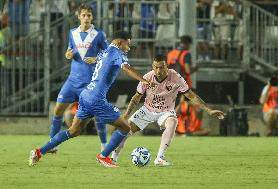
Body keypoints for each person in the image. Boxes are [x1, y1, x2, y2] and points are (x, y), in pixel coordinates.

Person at [28, 31, 154, 168]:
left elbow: (97, 60)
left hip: (85, 94)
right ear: (119, 42)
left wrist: (92, 59)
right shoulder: (116, 53)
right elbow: (127, 68)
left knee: (73, 131)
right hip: (96, 99)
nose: (128, 48)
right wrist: (144, 80)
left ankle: (38, 152)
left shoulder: (105, 52)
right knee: (125, 127)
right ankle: (103, 156)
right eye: (127, 44)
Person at [111, 55, 225, 166]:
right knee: (125, 129)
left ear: (167, 66)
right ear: (152, 66)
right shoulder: (147, 77)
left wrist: (209, 110)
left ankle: (159, 158)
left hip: (166, 112)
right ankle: (113, 159)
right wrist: (125, 115)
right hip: (147, 110)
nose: (158, 70)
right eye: (156, 67)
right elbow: (136, 98)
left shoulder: (176, 77)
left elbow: (191, 96)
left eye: (161, 67)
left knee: (172, 122)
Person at [48, 4, 108, 153]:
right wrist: (68, 54)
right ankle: (52, 144)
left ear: (92, 17)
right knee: (57, 110)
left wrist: (96, 59)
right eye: (84, 15)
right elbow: (70, 50)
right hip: (72, 81)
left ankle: (104, 146)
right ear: (78, 16)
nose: (86, 18)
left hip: (89, 83)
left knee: (98, 114)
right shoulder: (72, 33)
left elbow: (108, 54)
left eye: (89, 15)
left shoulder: (98, 34)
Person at [259, 71, 278, 136]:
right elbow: (262, 101)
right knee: (272, 112)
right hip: (269, 114)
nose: (277, 81)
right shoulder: (267, 88)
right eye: (276, 79)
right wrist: (269, 87)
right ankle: (269, 132)